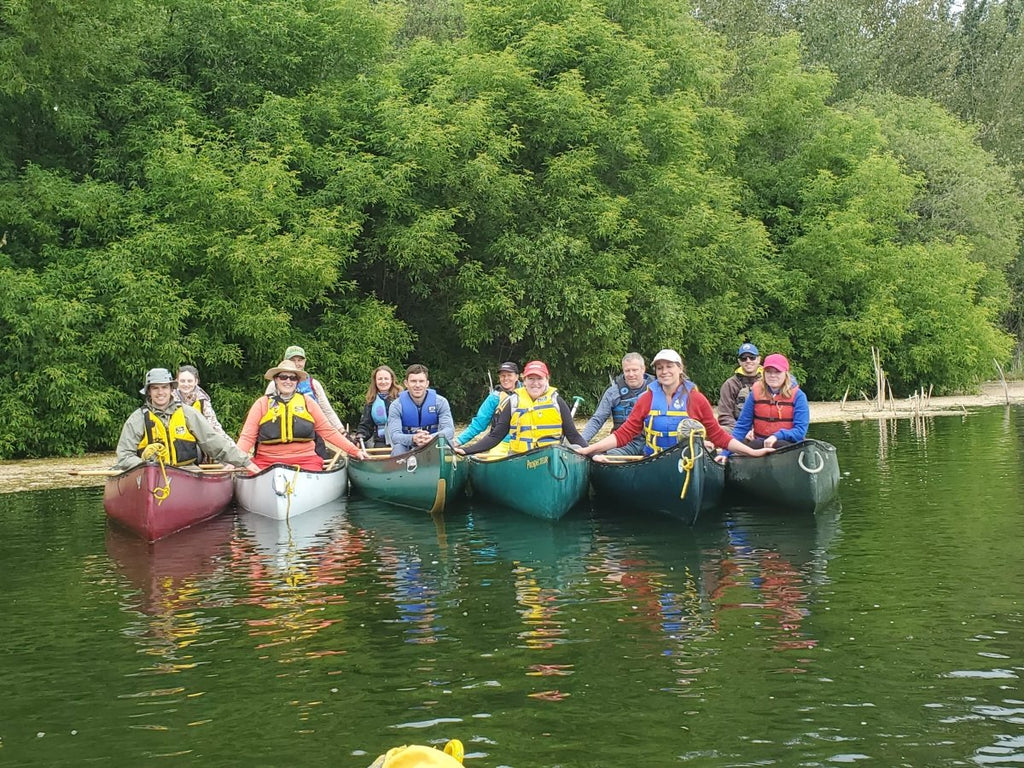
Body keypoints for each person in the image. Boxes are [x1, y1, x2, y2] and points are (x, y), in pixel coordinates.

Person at [574, 349, 774, 462]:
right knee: (600, 458)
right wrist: (589, 450)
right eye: (660, 368)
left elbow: (718, 435)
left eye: (669, 366)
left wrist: (752, 452)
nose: (664, 371)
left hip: (688, 460)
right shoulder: (647, 398)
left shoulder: (696, 399)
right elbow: (624, 434)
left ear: (680, 369)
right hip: (654, 462)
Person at [113, 368, 260, 473]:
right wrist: (145, 467)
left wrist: (244, 461)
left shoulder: (188, 413)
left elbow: (214, 442)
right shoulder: (137, 418)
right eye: (155, 388)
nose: (160, 392)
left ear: (171, 389)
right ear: (149, 392)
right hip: (148, 473)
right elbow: (125, 455)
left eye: (164, 387)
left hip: (186, 471)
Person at [238, 360, 366, 471]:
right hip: (266, 462)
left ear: (297, 382)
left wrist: (354, 451)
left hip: (306, 460)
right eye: (283, 377)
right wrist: (234, 460)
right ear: (276, 380)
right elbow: (247, 438)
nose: (288, 381)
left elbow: (328, 432)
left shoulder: (307, 402)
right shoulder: (262, 403)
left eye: (292, 378)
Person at [455, 360, 587, 455]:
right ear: (524, 380)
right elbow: (495, 436)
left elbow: (573, 436)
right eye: (531, 378)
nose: (535, 383)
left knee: (573, 448)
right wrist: (466, 450)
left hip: (550, 456)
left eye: (539, 378)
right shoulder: (513, 402)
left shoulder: (557, 401)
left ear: (547, 379)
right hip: (520, 456)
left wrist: (592, 454)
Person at [728, 353, 809, 450]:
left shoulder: (799, 396)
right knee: (752, 445)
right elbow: (742, 427)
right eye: (768, 372)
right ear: (764, 373)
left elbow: (800, 431)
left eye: (777, 372)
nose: (772, 375)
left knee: (779, 445)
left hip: (789, 445)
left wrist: (776, 436)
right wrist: (726, 452)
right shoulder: (754, 394)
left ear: (785, 373)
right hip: (761, 442)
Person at [580, 352, 655, 454]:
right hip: (623, 444)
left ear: (643, 369)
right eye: (627, 371)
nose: (631, 374)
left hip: (651, 443)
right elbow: (597, 420)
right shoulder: (613, 392)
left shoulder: (658, 389)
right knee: (605, 456)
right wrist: (581, 443)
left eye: (635, 370)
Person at [264, 345, 346, 434]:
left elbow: (327, 410)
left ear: (305, 361)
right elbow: (264, 410)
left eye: (300, 360)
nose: (297, 363)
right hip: (281, 433)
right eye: (292, 360)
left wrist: (342, 431)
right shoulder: (275, 384)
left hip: (311, 434)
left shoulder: (314, 384)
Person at [386, 364, 456, 455]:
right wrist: (413, 439)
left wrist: (430, 438)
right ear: (406, 383)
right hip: (407, 445)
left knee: (448, 443)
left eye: (421, 381)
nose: (417, 385)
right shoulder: (396, 405)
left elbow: (449, 430)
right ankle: (399, 469)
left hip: (433, 442)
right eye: (413, 381)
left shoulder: (441, 402)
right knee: (398, 448)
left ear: (427, 383)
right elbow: (395, 436)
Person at [453, 361, 521, 455]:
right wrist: (458, 442)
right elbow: (479, 423)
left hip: (523, 440)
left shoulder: (527, 393)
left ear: (517, 377)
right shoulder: (494, 398)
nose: (506, 378)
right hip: (501, 441)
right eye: (502, 376)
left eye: (509, 375)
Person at [355, 365, 403, 449]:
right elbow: (366, 425)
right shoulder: (371, 401)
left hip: (401, 440)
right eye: (380, 379)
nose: (383, 382)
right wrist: (360, 436)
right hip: (381, 441)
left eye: (386, 379)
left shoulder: (402, 398)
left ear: (392, 380)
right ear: (375, 381)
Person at [717, 342, 762, 430]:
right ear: (739, 361)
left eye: (752, 357)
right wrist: (741, 430)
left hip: (764, 429)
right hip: (737, 429)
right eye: (744, 358)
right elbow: (725, 416)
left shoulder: (768, 382)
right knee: (720, 431)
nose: (748, 361)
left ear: (759, 359)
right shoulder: (730, 384)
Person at [175, 364, 227, 436]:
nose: (186, 384)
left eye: (189, 381)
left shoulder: (202, 400)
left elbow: (214, 426)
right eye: (182, 381)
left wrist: (230, 445)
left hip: (195, 440)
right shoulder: (169, 398)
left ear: (196, 381)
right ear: (176, 381)